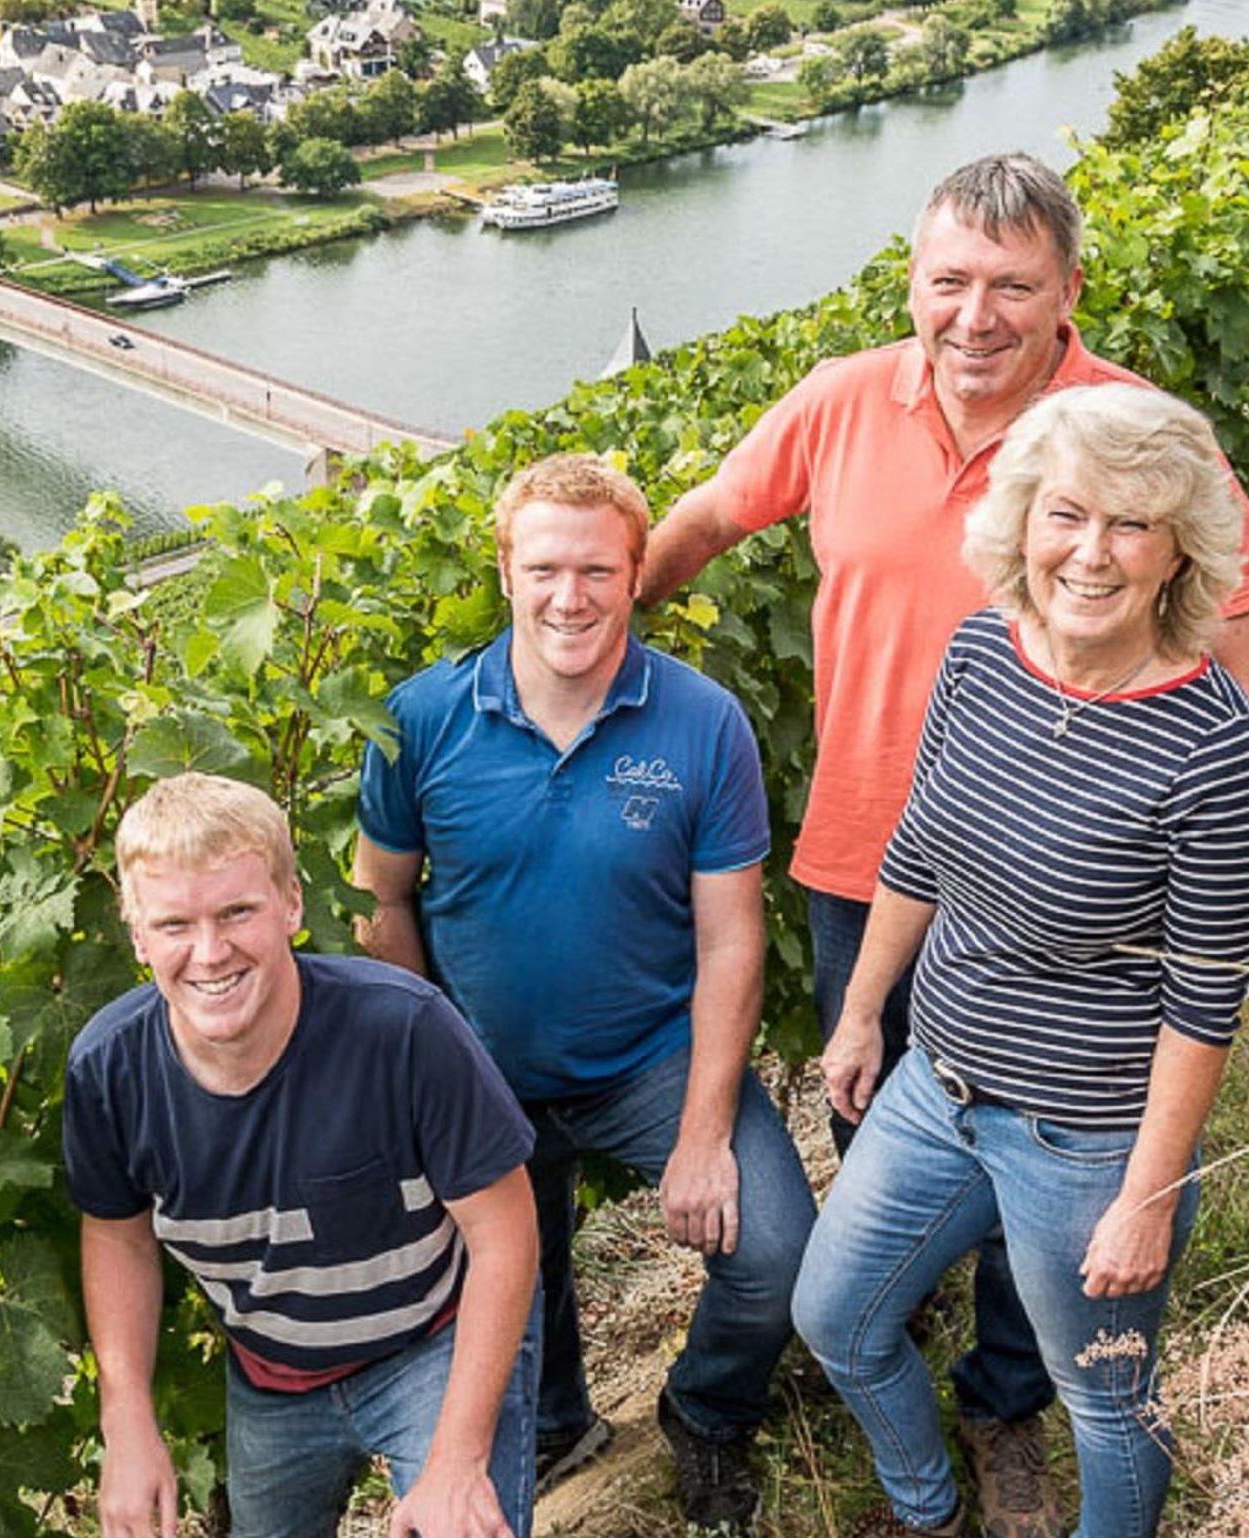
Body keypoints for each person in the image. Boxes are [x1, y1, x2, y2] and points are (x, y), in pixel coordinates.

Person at [636, 151, 1249, 1538]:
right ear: (911, 283)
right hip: (872, 867)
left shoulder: (1129, 443)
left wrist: (1128, 851)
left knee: (1047, 1195)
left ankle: (1009, 1397)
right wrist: (587, 639)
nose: (975, 314)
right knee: (893, 1124)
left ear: (1069, 291)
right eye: (949, 281)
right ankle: (905, 1337)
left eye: (1012, 285)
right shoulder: (840, 402)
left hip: (1078, 915)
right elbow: (701, 519)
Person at [791, 383, 1249, 1538]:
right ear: (1022, 521)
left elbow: (1201, 1004)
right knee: (836, 1316)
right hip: (934, 1087)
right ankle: (926, 1510)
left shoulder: (1211, 754)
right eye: (1066, 513)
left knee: (1105, 1400)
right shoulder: (979, 651)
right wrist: (862, 1011)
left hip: (1086, 1139)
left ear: (1177, 552)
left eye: (1130, 523)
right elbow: (919, 843)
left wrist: (1143, 1199)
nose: (1091, 552)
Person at [354, 454, 817, 1533]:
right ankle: (559, 1420)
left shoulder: (702, 722)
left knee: (777, 1252)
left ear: (635, 573)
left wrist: (702, 1131)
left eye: (598, 571)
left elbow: (731, 939)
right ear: (505, 572)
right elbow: (382, 904)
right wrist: (425, 1080)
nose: (571, 597)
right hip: (479, 1071)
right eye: (546, 569)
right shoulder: (421, 719)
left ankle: (706, 1408)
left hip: (651, 1060)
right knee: (513, 1276)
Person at [63, 773, 541, 1538]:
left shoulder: (405, 1031)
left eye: (237, 912)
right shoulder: (108, 1069)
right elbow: (118, 1236)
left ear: (291, 904)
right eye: (175, 924)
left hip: (436, 1342)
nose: (209, 952)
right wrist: (126, 1420)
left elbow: (505, 1235)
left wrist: (457, 1458)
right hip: (273, 1379)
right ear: (138, 936)